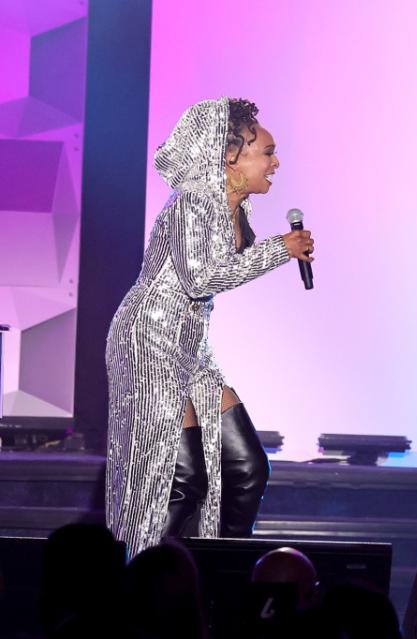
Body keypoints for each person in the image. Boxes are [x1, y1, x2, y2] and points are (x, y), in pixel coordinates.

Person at [105, 98, 314, 557]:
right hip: (148, 338)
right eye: (268, 151)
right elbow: (201, 276)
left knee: (245, 467)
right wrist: (280, 250)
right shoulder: (193, 203)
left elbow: (217, 275)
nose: (276, 162)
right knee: (180, 477)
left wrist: (275, 249)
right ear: (230, 156)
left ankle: (224, 579)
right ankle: (142, 584)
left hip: (189, 343)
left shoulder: (236, 208)